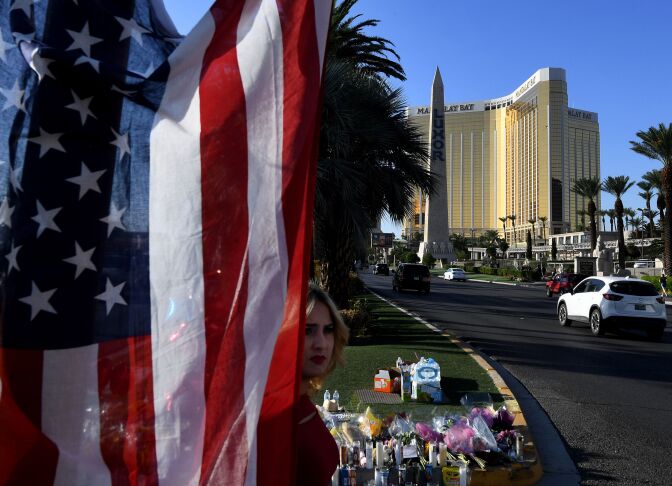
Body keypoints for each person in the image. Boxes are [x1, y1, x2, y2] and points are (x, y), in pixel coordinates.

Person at [297, 283, 349, 486]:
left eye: (328, 330)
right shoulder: (276, 413)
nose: (321, 343)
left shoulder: (302, 401)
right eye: (308, 330)